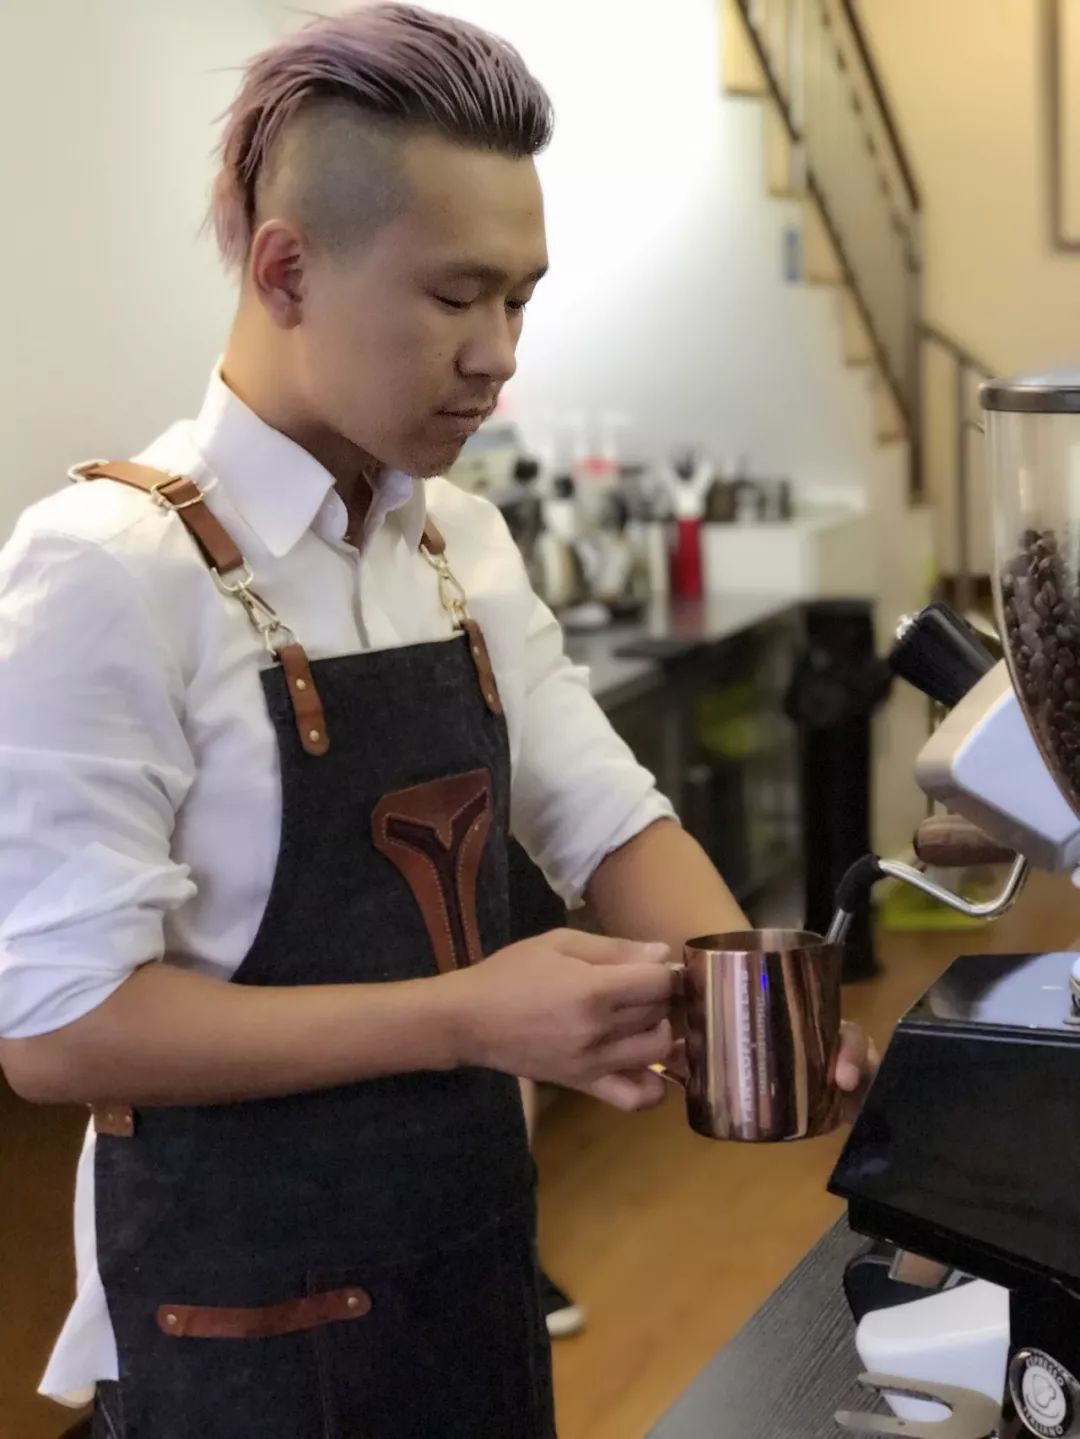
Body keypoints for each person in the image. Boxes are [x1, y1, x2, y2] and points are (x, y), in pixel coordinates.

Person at [0, 7, 872, 1436]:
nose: (498, 356)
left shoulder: (459, 541)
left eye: (519, 300)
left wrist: (757, 1009)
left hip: (467, 1267)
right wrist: (468, 1015)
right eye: (456, 297)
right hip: (243, 1323)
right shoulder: (108, 566)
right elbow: (61, 1027)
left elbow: (607, 818)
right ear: (286, 269)